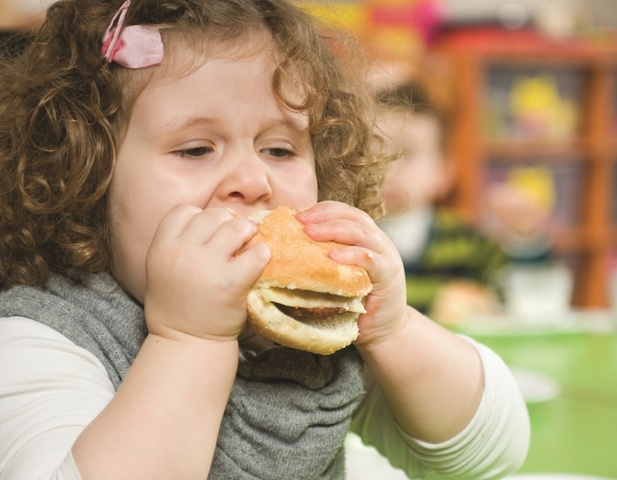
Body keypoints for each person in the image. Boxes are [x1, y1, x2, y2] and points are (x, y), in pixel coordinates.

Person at [0, 1, 529, 479]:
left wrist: (392, 331)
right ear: (86, 179)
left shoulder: (304, 326)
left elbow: (489, 454)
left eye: (279, 150)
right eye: (196, 149)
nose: (253, 181)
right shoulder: (42, 338)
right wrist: (191, 340)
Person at [375, 81, 552, 324]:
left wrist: (525, 237)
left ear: (444, 172)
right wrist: (439, 296)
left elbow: (515, 296)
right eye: (373, 152)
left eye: (407, 153)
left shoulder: (467, 239)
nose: (388, 169)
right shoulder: (354, 233)